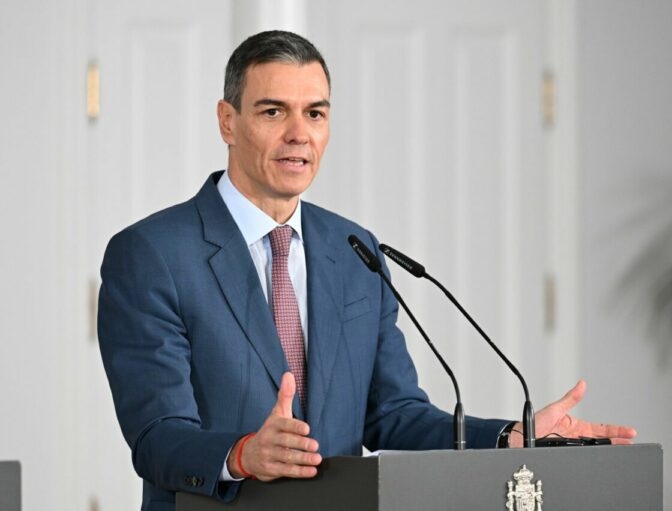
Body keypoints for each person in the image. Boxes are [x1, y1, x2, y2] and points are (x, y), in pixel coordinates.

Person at [97, 30, 636, 511]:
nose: (299, 134)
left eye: (315, 113)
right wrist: (242, 454)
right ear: (227, 121)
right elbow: (157, 437)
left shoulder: (354, 249)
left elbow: (393, 413)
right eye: (273, 112)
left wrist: (507, 439)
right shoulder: (151, 255)